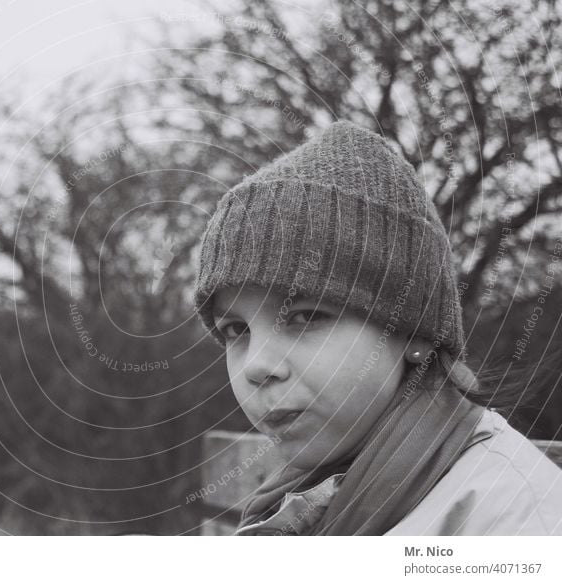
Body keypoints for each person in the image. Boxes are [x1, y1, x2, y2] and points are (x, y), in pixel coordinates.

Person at [192, 120, 562, 535]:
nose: (256, 367)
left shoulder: (514, 522)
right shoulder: (302, 499)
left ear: (414, 333)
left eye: (308, 317)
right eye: (236, 330)